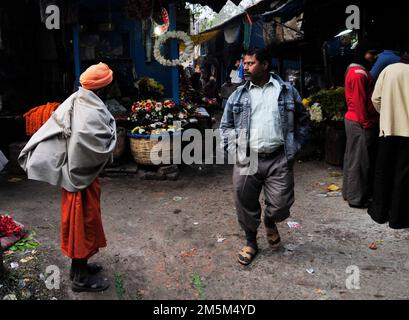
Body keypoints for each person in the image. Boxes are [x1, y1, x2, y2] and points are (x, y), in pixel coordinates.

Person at [19, 62, 117, 292]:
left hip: (81, 178)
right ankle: (80, 279)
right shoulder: (88, 110)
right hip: (79, 179)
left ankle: (78, 267)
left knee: (85, 223)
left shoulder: (80, 99)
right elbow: (87, 145)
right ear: (102, 88)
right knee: (81, 225)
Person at [219, 48, 309, 265]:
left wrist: (295, 146)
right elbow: (225, 125)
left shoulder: (287, 91)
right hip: (248, 157)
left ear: (265, 65)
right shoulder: (238, 95)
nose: (245, 68)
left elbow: (302, 119)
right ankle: (251, 242)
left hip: (278, 156)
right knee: (244, 201)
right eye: (245, 64)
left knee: (280, 206)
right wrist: (236, 147)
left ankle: (270, 220)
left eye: (250, 63)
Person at [368, 43, 409, 229]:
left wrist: (386, 113)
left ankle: (378, 213)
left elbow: (375, 99)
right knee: (403, 175)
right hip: (407, 133)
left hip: (387, 129)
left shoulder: (389, 70)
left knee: (382, 171)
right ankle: (398, 219)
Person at [343, 45, 379, 209]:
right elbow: (359, 102)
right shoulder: (359, 74)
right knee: (359, 161)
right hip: (359, 121)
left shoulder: (354, 70)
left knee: (352, 158)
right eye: (371, 53)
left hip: (354, 119)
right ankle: (356, 199)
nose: (373, 57)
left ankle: (349, 193)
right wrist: (366, 123)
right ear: (364, 54)